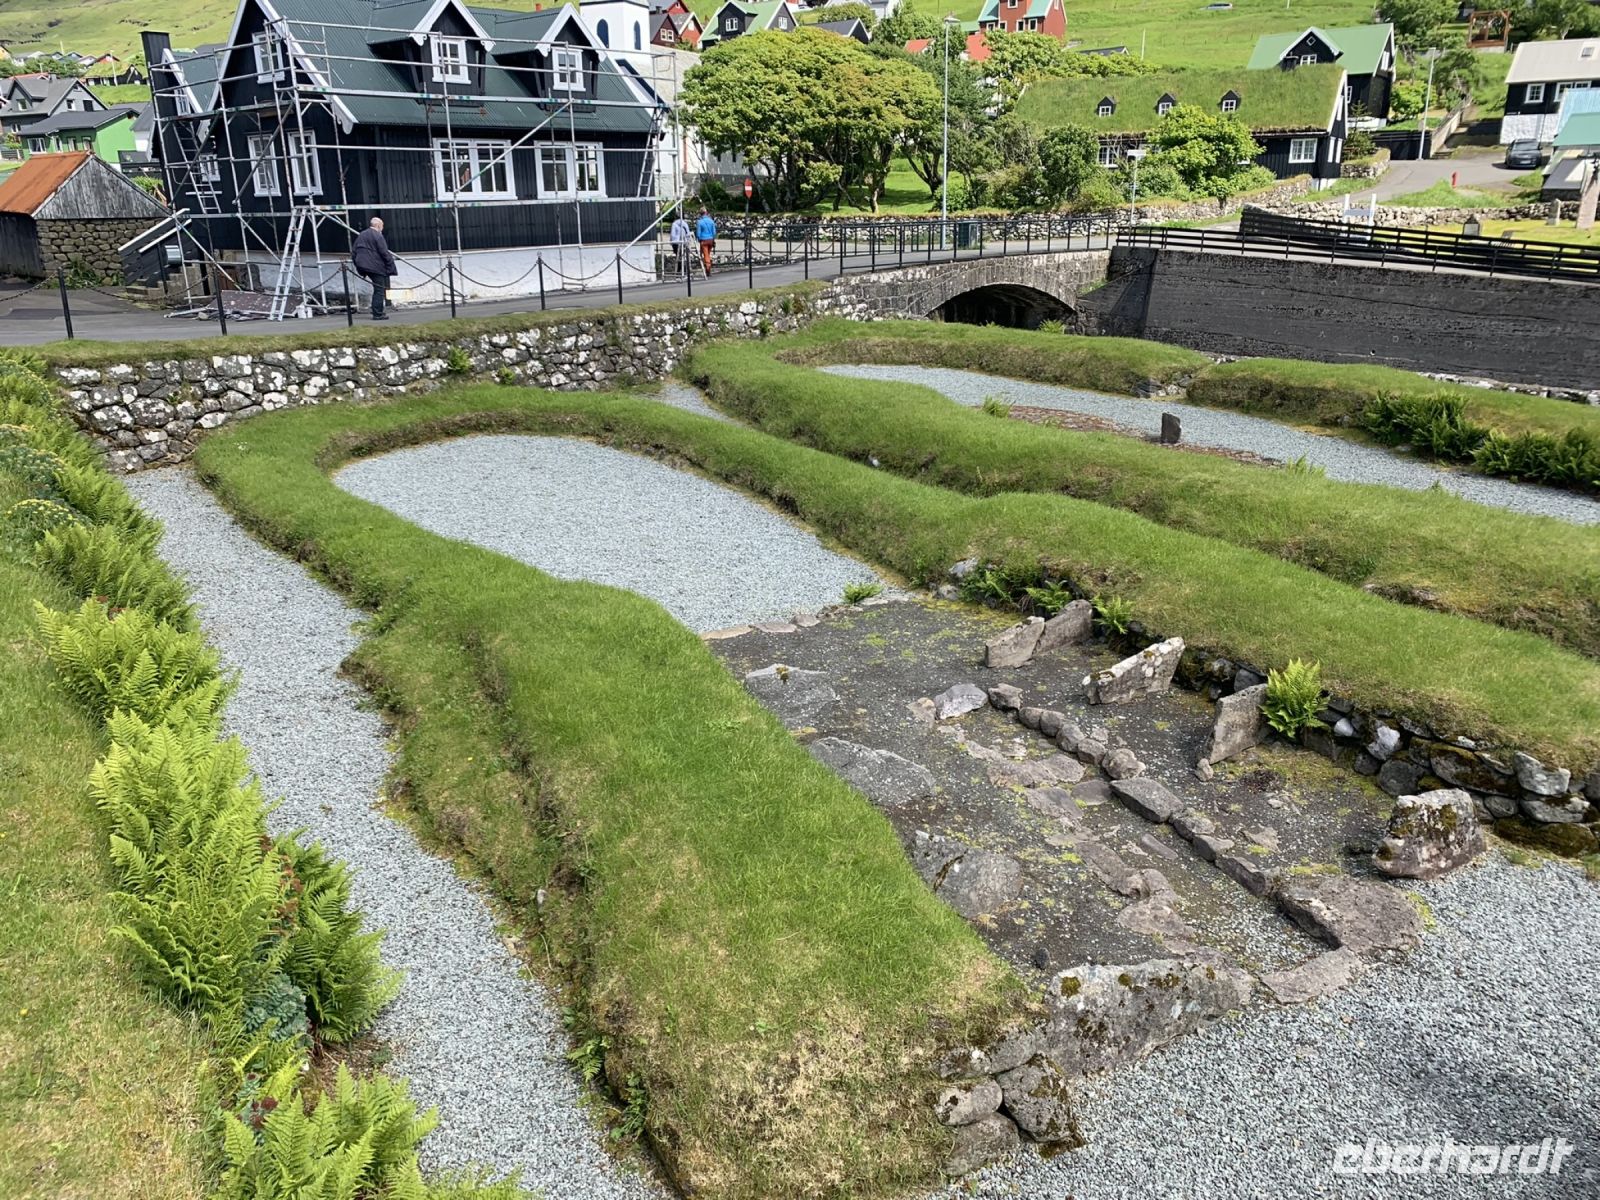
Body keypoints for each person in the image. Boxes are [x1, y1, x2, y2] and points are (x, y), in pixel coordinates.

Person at [351, 217, 398, 320]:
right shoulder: (378, 236)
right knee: (379, 290)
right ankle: (378, 313)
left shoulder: (361, 235)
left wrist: (358, 266)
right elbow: (384, 252)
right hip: (375, 266)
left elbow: (354, 252)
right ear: (378, 226)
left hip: (363, 265)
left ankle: (377, 311)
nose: (382, 228)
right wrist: (391, 267)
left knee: (377, 289)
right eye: (382, 226)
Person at [669, 209, 693, 278]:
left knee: (678, 256)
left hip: (676, 243)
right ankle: (683, 270)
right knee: (683, 256)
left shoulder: (674, 224)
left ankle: (680, 270)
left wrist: (671, 242)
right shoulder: (685, 223)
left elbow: (672, 235)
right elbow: (688, 233)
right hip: (684, 242)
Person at [695, 207, 717, 278]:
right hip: (710, 240)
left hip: (703, 240)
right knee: (708, 254)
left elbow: (698, 233)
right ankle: (708, 266)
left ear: (700, 214)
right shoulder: (711, 221)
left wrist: (698, 239)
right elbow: (714, 232)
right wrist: (713, 238)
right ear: (706, 213)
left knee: (706, 255)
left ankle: (708, 269)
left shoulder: (699, 222)